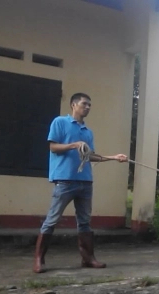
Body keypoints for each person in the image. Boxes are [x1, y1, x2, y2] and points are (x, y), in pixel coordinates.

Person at [33, 93, 128, 274]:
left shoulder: (88, 132)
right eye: (85, 104)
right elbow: (52, 147)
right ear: (73, 105)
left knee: (84, 222)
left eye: (90, 105)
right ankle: (39, 260)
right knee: (52, 220)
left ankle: (88, 259)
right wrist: (73, 145)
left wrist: (114, 157)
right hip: (65, 180)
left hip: (85, 182)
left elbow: (90, 156)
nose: (88, 107)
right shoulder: (60, 122)